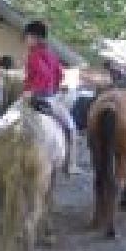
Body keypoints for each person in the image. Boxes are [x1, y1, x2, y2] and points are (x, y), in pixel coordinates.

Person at [22, 20, 81, 174]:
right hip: (48, 98)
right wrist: (54, 88)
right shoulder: (52, 56)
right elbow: (58, 74)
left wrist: (32, 90)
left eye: (27, 37)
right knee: (70, 128)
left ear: (36, 38)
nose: (26, 40)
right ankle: (70, 165)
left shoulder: (34, 55)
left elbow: (42, 74)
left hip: (34, 97)